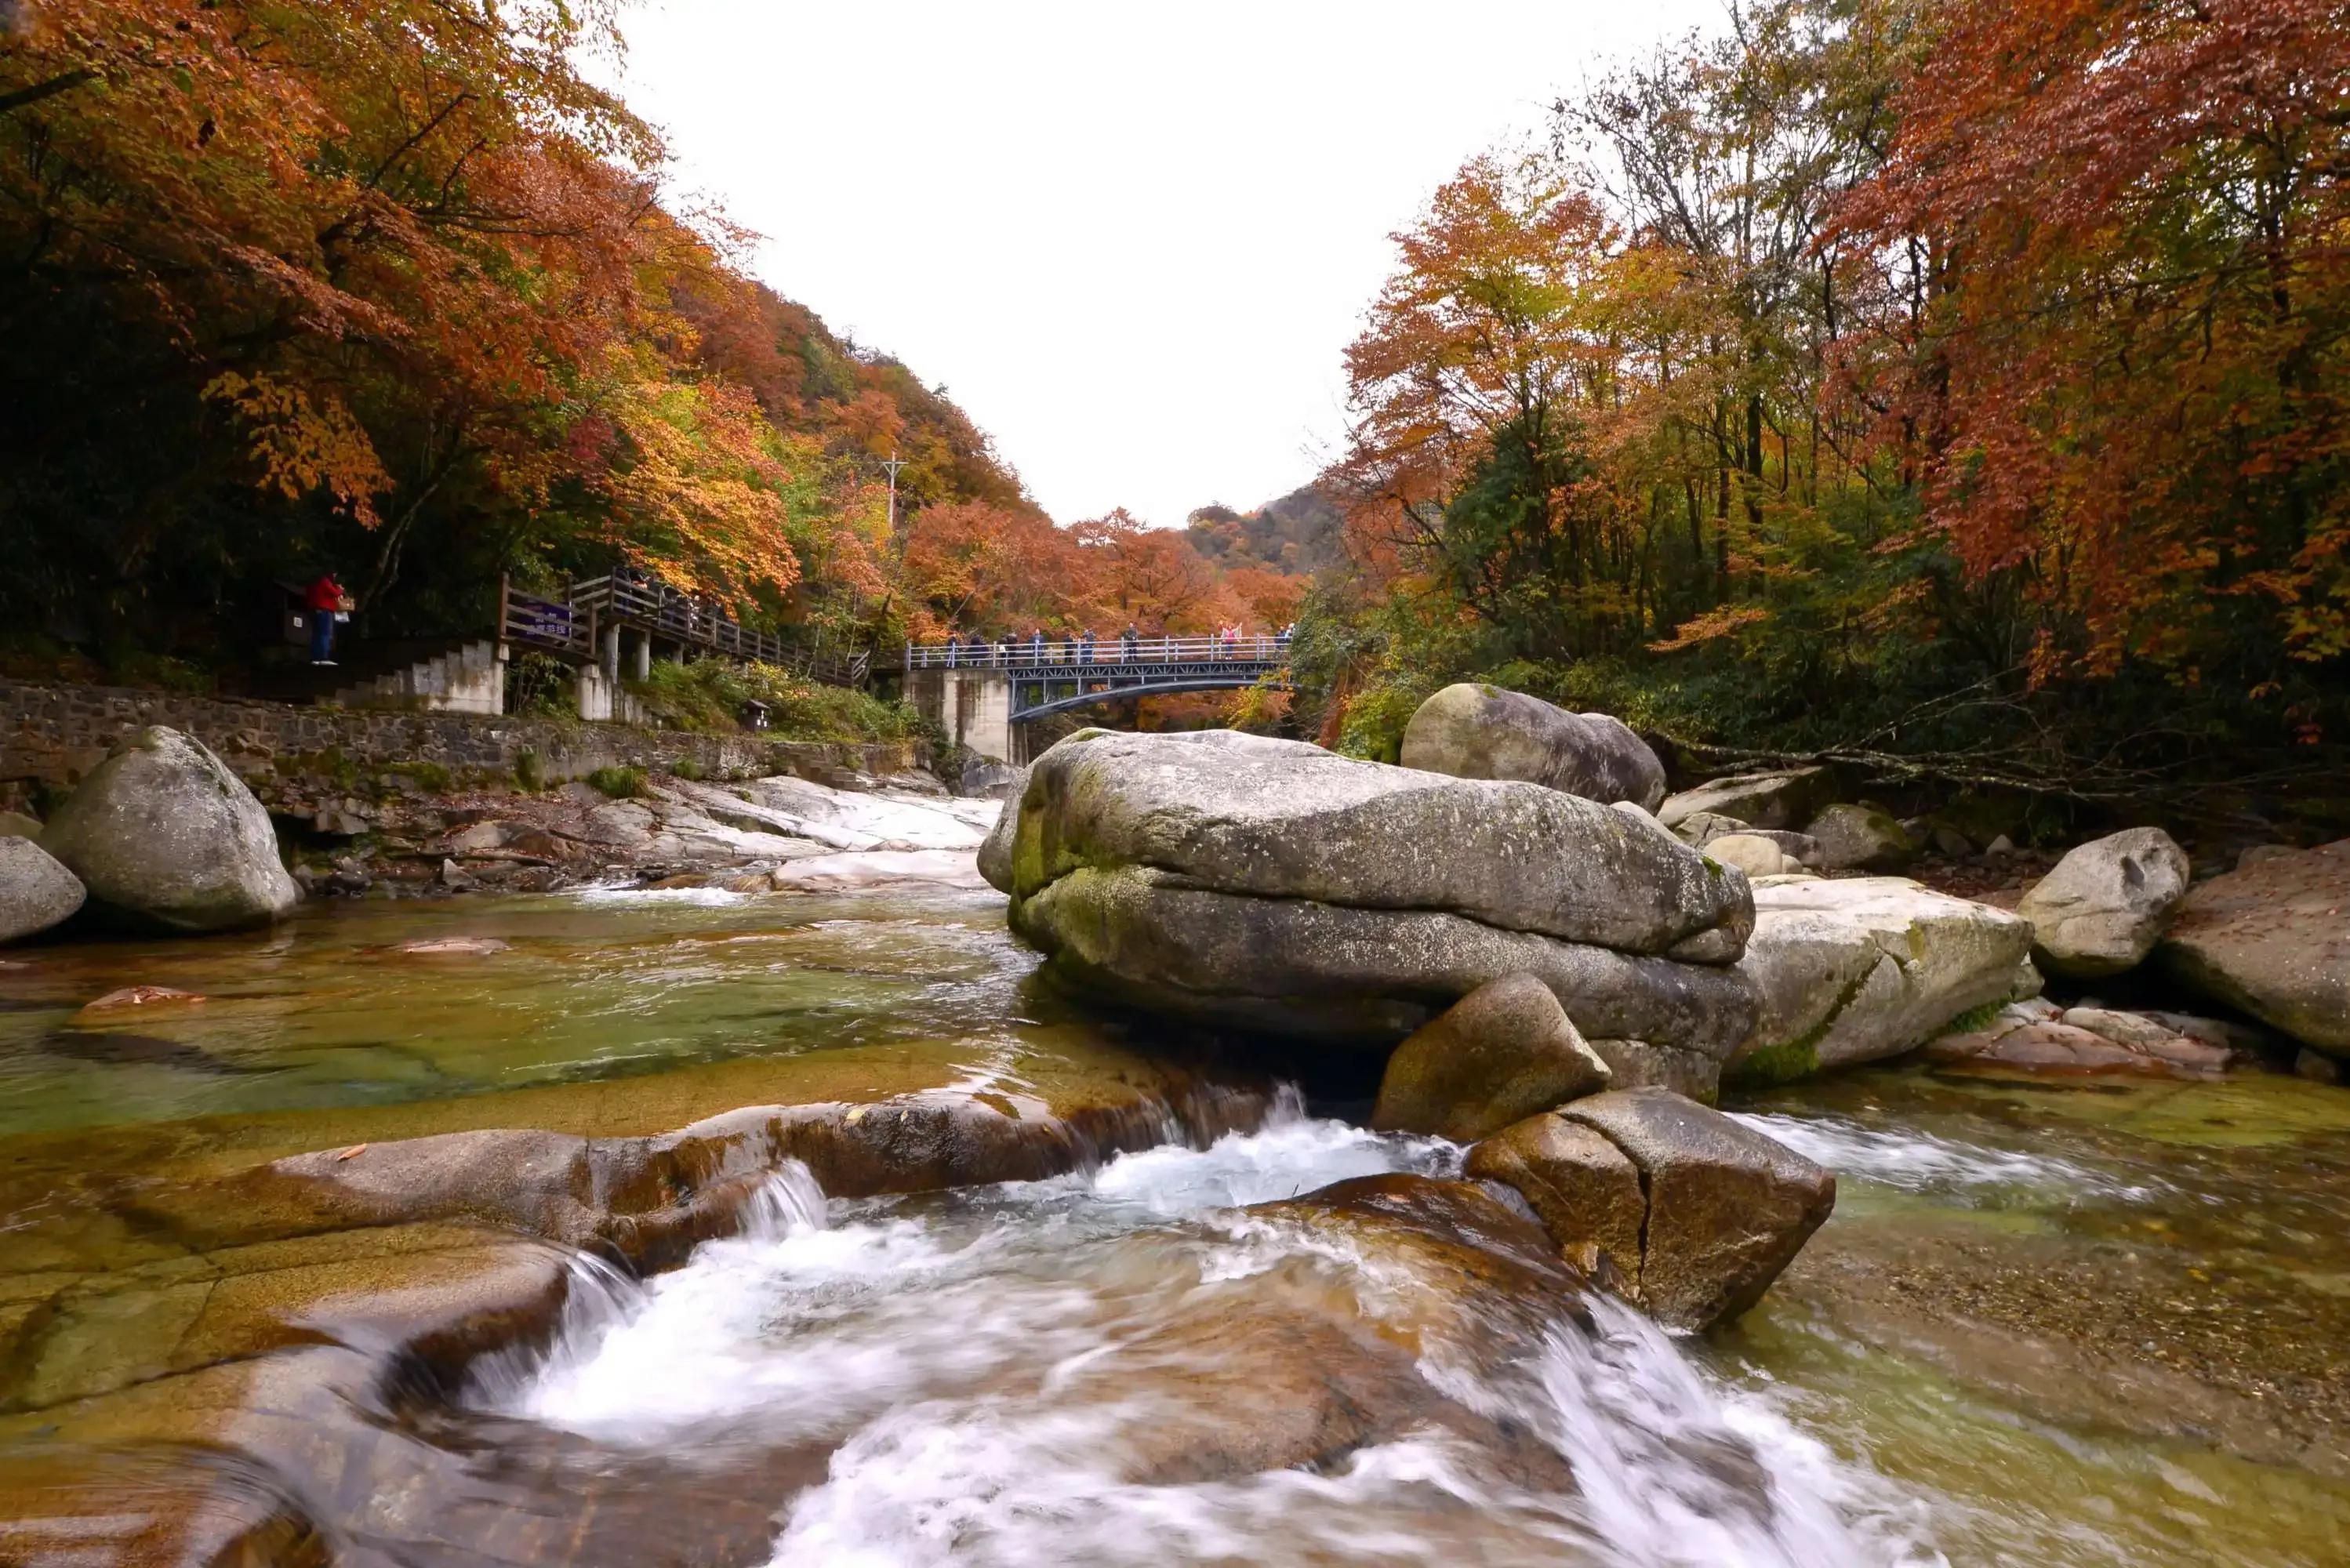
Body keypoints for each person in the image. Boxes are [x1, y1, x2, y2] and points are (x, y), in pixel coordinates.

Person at [306, 572, 351, 666]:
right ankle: (324, 657)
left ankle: (315, 658)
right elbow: (335, 593)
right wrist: (340, 589)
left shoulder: (312, 582)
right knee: (325, 634)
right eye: (334, 574)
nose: (335, 576)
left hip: (312, 610)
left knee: (316, 634)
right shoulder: (325, 581)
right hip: (324, 610)